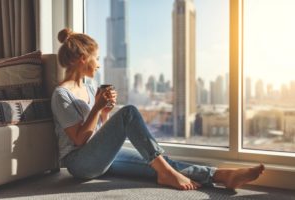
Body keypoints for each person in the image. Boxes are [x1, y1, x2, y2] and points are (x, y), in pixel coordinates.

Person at [51, 28, 265, 191]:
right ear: (83, 59)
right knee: (129, 113)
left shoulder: (88, 89)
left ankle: (222, 176)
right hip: (80, 164)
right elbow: (79, 141)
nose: (98, 64)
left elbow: (97, 135)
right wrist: (97, 107)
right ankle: (168, 174)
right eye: (96, 58)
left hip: (98, 156)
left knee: (159, 162)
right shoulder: (61, 94)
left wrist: (104, 113)